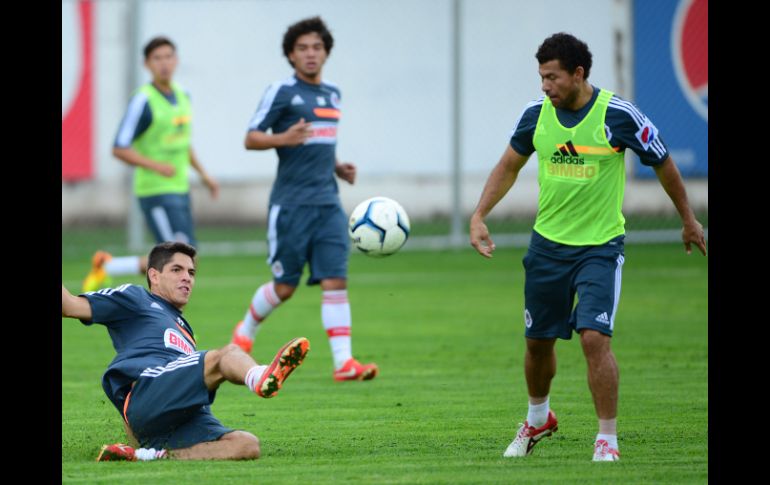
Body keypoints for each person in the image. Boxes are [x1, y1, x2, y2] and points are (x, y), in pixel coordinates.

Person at [469, 32, 707, 462]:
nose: (545, 86)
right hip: (546, 248)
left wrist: (688, 219)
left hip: (599, 249)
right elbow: (508, 166)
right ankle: (538, 418)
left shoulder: (617, 115)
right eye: (541, 77)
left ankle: (607, 439)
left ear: (578, 74)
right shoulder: (536, 115)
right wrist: (479, 214)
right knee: (537, 343)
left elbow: (663, 162)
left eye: (552, 77)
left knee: (594, 338)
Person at [63, 241, 310, 461]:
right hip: (148, 391)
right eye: (177, 270)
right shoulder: (136, 298)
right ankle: (261, 377)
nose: (187, 278)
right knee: (225, 355)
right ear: (154, 275)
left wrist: (138, 442)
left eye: (191, 272)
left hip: (173, 413)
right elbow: (69, 306)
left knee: (246, 445)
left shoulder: (185, 330)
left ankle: (149, 456)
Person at [229, 16, 377, 382]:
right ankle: (245, 331)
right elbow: (250, 138)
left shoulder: (333, 94)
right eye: (302, 48)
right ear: (291, 55)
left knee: (335, 280)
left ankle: (344, 363)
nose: (310, 53)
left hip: (328, 203)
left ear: (326, 52)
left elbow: (320, 142)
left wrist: (337, 166)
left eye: (317, 47)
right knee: (284, 287)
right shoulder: (280, 91)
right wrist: (283, 138)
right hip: (291, 205)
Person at [82, 36, 219, 293]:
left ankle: (107, 266)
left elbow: (183, 143)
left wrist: (204, 175)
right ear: (147, 64)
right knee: (177, 260)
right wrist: (156, 166)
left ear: (176, 60)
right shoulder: (143, 100)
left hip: (179, 188)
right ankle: (165, 314)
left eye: (168, 57)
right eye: (157, 58)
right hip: (155, 190)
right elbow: (119, 147)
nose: (164, 63)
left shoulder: (183, 96)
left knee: (186, 257)